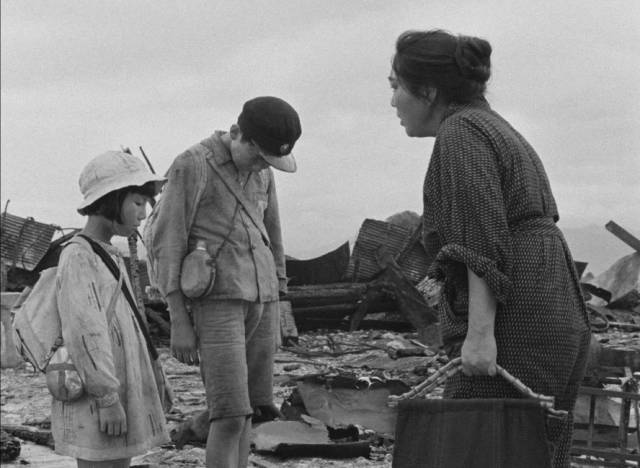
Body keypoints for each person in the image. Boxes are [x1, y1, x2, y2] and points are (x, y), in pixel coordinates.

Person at [389, 29, 590, 467]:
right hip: (553, 303)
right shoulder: (495, 126)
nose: (392, 102)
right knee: (530, 449)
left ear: (427, 91)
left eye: (395, 86)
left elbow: (479, 240)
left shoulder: (460, 132)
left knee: (479, 445)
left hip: (516, 317)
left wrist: (480, 337)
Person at [146, 96, 301, 468]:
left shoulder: (263, 171)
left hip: (261, 300)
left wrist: (281, 300)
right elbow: (169, 241)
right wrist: (179, 320)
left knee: (252, 410)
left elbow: (272, 235)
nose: (264, 165)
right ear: (237, 134)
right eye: (259, 154)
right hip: (216, 302)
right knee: (228, 411)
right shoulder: (192, 165)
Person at [52, 151, 169, 467]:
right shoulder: (79, 257)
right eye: (137, 203)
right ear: (110, 200)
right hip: (101, 396)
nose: (143, 214)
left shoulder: (112, 255)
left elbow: (131, 321)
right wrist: (106, 398)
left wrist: (154, 374)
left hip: (118, 390)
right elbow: (85, 332)